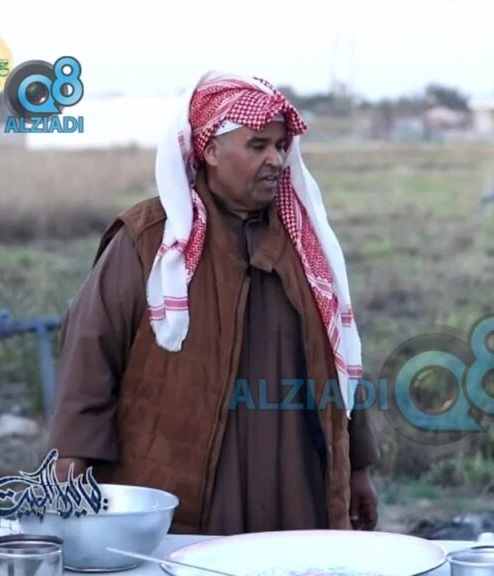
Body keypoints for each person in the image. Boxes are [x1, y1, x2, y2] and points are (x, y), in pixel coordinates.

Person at [47, 73, 380, 535]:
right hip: (183, 481)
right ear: (210, 151)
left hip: (294, 478)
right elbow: (90, 353)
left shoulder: (307, 244)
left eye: (280, 146)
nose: (275, 159)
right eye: (257, 145)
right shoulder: (149, 241)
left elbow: (342, 357)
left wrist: (358, 466)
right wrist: (73, 458)